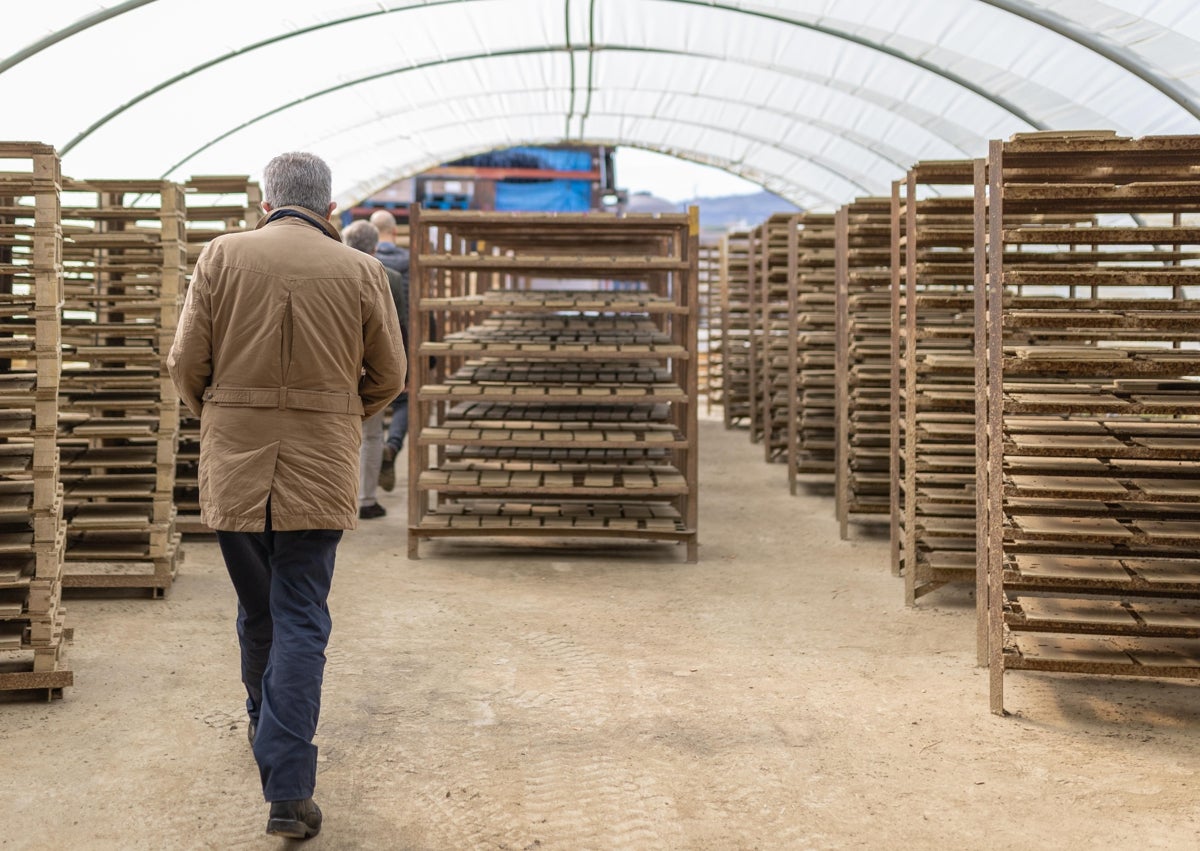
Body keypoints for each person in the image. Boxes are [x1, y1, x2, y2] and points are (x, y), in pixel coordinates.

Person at [167, 152, 405, 841]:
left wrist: (214, 410)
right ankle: (289, 786)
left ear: (266, 201)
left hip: (235, 457)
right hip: (319, 465)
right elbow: (388, 374)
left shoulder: (220, 255)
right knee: (302, 611)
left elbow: (185, 361)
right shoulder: (363, 270)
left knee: (256, 607)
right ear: (329, 207)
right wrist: (337, 416)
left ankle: (260, 722)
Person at [342, 218, 408, 519]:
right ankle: (366, 500)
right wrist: (399, 370)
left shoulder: (332, 271)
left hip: (335, 367)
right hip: (370, 367)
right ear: (375, 245)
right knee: (370, 435)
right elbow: (400, 327)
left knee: (337, 432)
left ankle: (338, 497)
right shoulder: (390, 276)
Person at [368, 209, 411, 492]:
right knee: (404, 402)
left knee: (368, 407)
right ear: (394, 232)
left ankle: (362, 486)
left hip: (367, 339)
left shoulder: (362, 260)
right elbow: (414, 308)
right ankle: (393, 446)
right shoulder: (408, 262)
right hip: (401, 339)